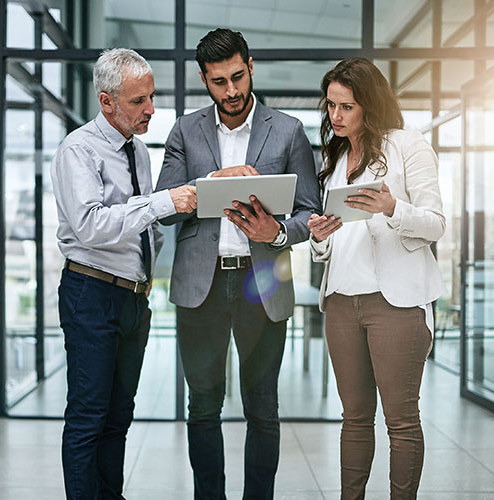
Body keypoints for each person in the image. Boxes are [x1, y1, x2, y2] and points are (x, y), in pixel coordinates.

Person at [155, 29, 321, 500]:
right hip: (200, 285)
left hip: (262, 279)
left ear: (251, 66)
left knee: (263, 408)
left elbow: (310, 212)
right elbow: (165, 205)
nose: (231, 91)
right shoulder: (184, 130)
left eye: (237, 77)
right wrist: (214, 179)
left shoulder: (287, 130)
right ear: (204, 80)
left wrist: (280, 232)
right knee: (203, 407)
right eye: (218, 82)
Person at [50, 48, 196, 500]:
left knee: (118, 416)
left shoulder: (139, 151)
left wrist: (148, 265)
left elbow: (139, 224)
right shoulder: (79, 149)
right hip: (91, 293)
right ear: (107, 101)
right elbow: (91, 224)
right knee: (88, 417)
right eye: (138, 101)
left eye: (150, 97)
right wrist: (163, 203)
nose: (150, 109)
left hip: (133, 299)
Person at [308, 57, 446, 499]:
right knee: (354, 418)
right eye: (330, 106)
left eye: (346, 106)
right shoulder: (334, 159)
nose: (336, 116)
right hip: (341, 303)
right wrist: (319, 238)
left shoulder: (407, 144)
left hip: (396, 304)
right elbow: (331, 245)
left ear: (369, 104)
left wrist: (392, 208)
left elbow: (436, 223)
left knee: (401, 421)